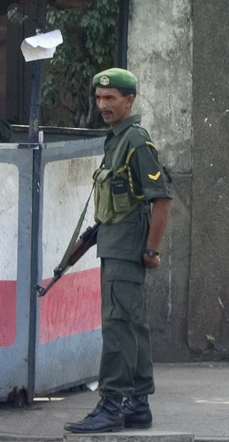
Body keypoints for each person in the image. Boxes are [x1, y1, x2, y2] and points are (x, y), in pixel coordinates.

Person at [64, 68, 172, 434]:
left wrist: (152, 250)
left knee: (118, 328)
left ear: (129, 100)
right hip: (115, 243)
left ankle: (111, 404)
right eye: (98, 98)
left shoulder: (136, 142)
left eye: (110, 99)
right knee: (132, 326)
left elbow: (162, 200)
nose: (102, 105)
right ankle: (138, 404)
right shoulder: (117, 139)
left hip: (128, 251)